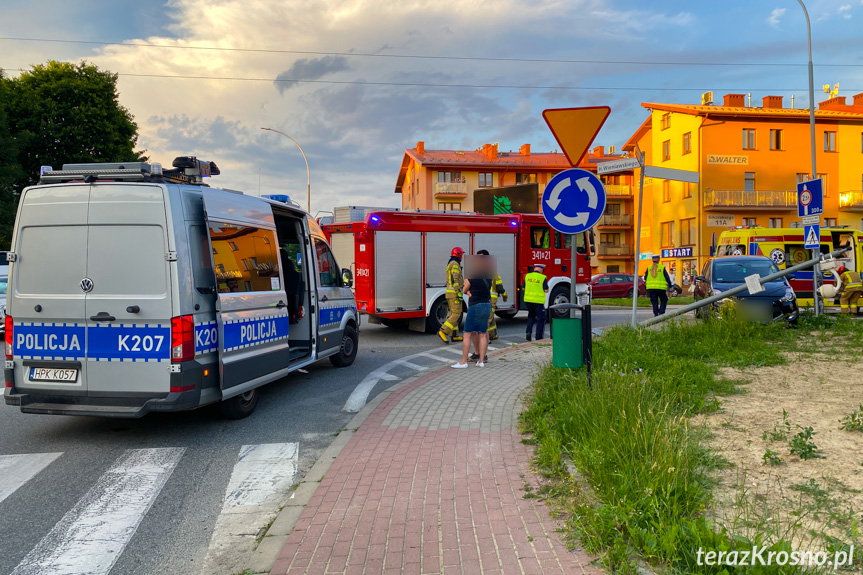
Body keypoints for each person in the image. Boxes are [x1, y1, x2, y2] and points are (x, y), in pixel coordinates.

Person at [452, 255, 493, 368]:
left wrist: (469, 292)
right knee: (483, 334)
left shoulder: (472, 276)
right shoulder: (489, 276)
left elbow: (465, 290)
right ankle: (481, 362)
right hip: (487, 306)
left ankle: (463, 362)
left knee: (467, 334)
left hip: (476, 306)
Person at [438, 247, 465, 344]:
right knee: (456, 314)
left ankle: (454, 335)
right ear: (458, 254)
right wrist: (458, 291)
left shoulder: (451, 262)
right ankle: (443, 331)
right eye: (461, 254)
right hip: (454, 293)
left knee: (454, 313)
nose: (462, 256)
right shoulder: (455, 264)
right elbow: (455, 279)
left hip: (450, 293)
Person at [524, 263, 549, 341]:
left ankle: (528, 332)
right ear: (541, 269)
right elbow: (546, 290)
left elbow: (523, 288)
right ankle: (538, 337)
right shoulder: (542, 277)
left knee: (531, 316)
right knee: (541, 318)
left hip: (528, 300)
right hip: (538, 301)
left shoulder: (527, 276)